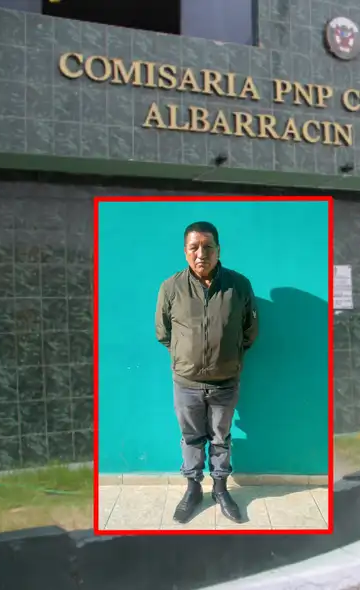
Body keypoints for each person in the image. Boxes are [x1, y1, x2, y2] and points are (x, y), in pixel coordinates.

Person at [155, 221, 259, 524]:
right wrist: (184, 358)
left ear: (218, 249)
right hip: (186, 383)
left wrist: (229, 357)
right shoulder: (170, 287)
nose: (201, 253)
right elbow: (163, 333)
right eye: (194, 247)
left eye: (208, 246)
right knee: (190, 438)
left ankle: (221, 489)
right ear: (186, 251)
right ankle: (192, 489)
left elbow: (250, 331)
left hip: (225, 381)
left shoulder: (239, 286)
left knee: (220, 437)